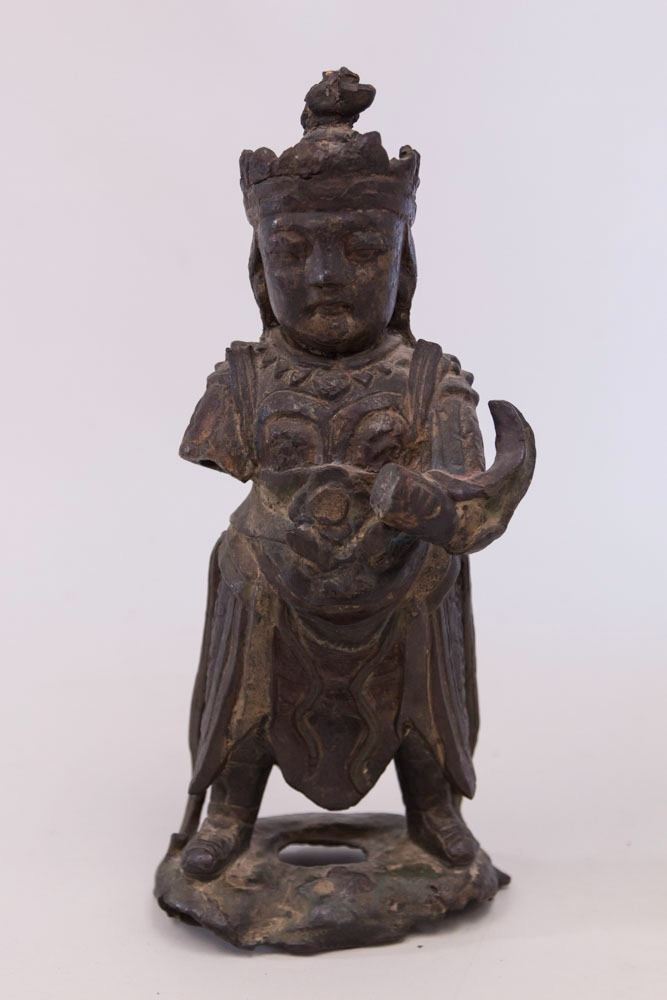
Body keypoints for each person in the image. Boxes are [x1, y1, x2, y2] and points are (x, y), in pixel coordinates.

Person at [173, 68, 535, 881]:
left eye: (363, 249)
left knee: (429, 588)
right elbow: (222, 457)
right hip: (276, 576)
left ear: (402, 265)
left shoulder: (429, 380)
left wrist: (428, 505)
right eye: (293, 252)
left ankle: (432, 806)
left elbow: (471, 510)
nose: (327, 275)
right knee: (247, 589)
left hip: (395, 577)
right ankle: (231, 807)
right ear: (261, 271)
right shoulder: (244, 380)